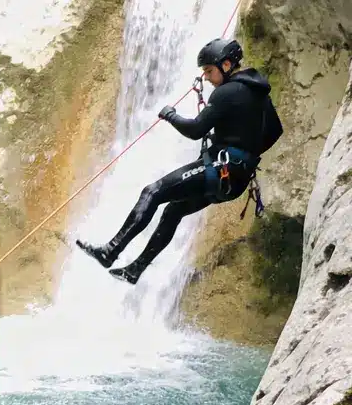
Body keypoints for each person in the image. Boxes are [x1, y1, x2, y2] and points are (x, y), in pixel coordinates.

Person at [76, 37, 283, 285]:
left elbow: (196, 129)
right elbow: (274, 132)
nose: (205, 77)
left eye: (209, 71)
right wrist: (242, 149)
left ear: (227, 65)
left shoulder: (226, 92)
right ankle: (134, 270)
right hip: (235, 179)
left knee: (152, 192)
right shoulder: (260, 95)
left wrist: (170, 116)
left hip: (220, 171)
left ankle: (111, 251)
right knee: (173, 210)